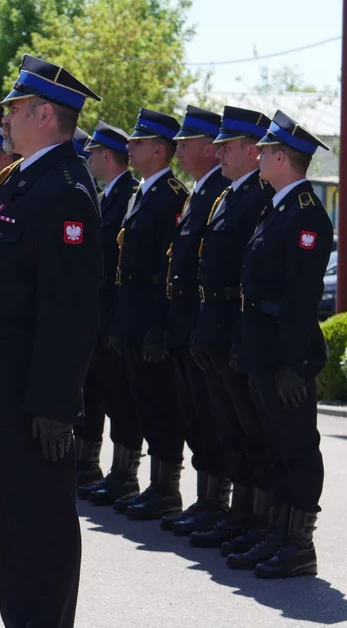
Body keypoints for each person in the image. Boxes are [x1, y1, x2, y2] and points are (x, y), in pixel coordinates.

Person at [0, 55, 101, 626]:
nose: (4, 118)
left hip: (29, 403)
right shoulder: (20, 178)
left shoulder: (66, 190)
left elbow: (70, 312)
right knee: (10, 530)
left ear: (45, 113)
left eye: (12, 110)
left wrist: (55, 404)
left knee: (41, 534)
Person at [226, 110, 332, 579]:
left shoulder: (307, 214)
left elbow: (301, 298)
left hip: (285, 353)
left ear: (282, 157)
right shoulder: (279, 206)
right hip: (261, 347)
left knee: (296, 447)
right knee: (270, 441)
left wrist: (291, 363)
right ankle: (276, 532)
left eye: (265, 150)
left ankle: (298, 544)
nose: (259, 155)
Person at [187, 106, 276, 554]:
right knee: (229, 427)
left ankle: (257, 517)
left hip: (235, 327)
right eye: (218, 144)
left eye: (227, 145)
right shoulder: (229, 195)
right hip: (215, 327)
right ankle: (238, 512)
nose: (217, 151)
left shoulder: (260, 196)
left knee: (251, 429)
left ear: (252, 150)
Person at [110, 108, 188, 521]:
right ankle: (138, 480)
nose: (129, 147)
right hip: (131, 315)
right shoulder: (142, 192)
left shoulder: (172, 195)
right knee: (136, 400)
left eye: (138, 143)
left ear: (160, 150)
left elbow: (168, 268)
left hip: (151, 316)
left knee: (160, 405)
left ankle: (166, 488)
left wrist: (160, 323)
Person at [161, 106, 231, 535]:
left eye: (186, 144)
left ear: (209, 148)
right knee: (195, 415)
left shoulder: (218, 193)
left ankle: (217, 503)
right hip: (187, 320)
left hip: (203, 320)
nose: (179, 151)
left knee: (213, 418)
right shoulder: (199, 194)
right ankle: (206, 499)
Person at [76, 121, 139, 505]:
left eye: (95, 152)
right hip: (99, 309)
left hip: (117, 309)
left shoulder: (129, 194)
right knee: (96, 389)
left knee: (120, 396)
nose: (90, 158)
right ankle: (91, 464)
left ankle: (124, 474)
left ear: (106, 155)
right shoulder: (106, 196)